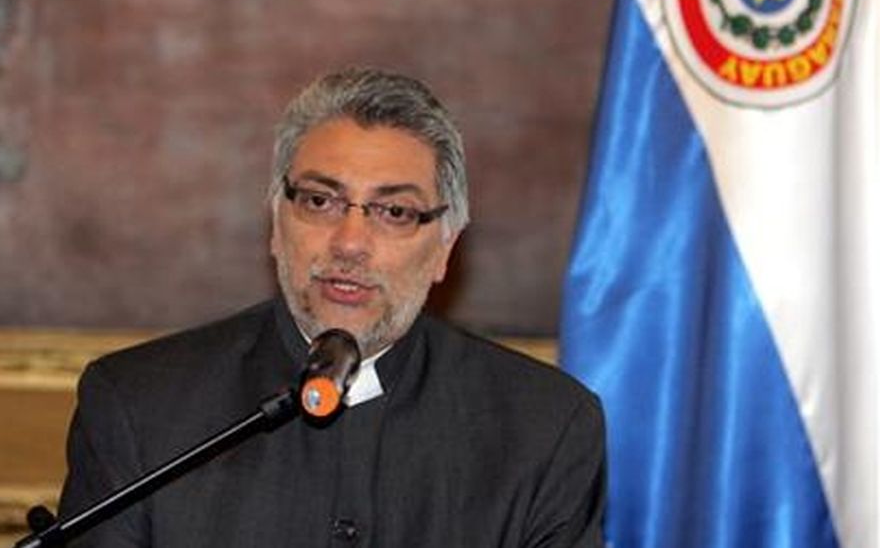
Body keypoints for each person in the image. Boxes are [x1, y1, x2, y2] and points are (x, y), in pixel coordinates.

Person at [57, 68, 606, 547]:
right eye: (320, 201)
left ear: (444, 248)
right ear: (277, 223)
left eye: (393, 211)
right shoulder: (140, 406)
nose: (349, 243)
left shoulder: (544, 428)